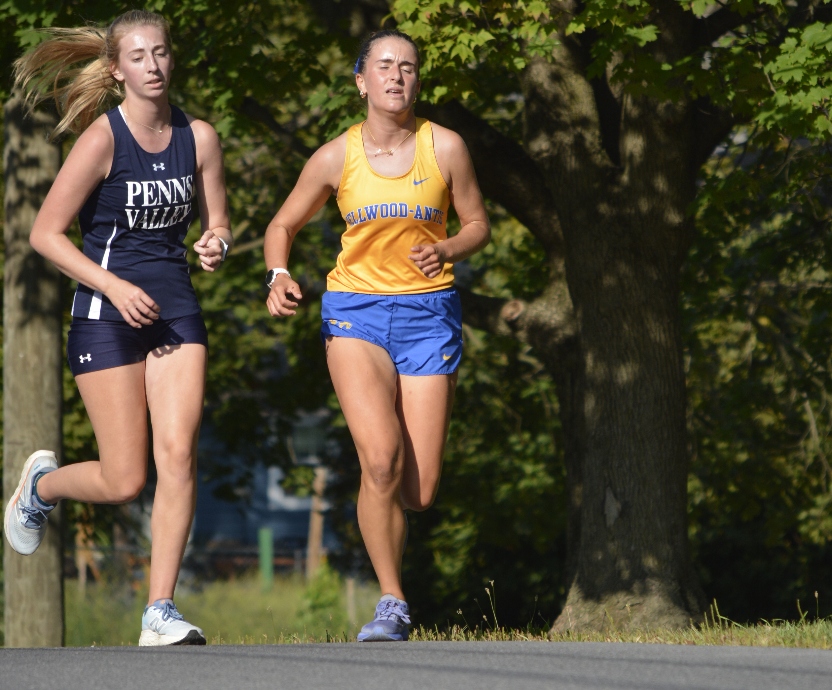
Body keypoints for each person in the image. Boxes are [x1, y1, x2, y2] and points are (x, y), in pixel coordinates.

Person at [3, 10, 232, 646]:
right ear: (117, 70)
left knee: (179, 453)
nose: (153, 66)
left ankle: (160, 610)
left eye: (160, 53)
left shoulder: (200, 138)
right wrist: (111, 284)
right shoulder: (103, 139)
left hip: (177, 312)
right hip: (106, 315)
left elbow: (218, 223)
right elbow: (44, 234)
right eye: (139, 57)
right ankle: (41, 487)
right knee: (125, 479)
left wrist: (215, 243)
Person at [264, 29, 490, 642]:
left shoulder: (445, 147)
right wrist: (279, 274)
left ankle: (392, 580)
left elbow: (477, 223)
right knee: (381, 458)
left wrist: (445, 247)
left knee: (417, 490)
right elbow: (281, 224)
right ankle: (392, 601)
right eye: (384, 66)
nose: (397, 76)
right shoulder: (337, 156)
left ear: (418, 81)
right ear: (361, 80)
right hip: (354, 313)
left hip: (428, 315)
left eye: (409, 67)